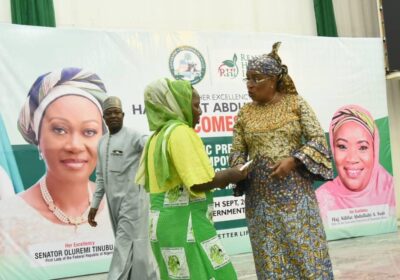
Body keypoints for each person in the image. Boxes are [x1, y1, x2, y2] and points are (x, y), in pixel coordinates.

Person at [229, 42, 334, 279]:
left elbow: (318, 139)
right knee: (269, 259)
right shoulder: (245, 113)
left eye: (256, 79)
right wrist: (238, 168)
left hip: (295, 199)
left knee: (305, 255)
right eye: (247, 79)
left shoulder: (296, 104)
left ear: (273, 80)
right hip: (260, 203)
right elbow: (237, 150)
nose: (250, 85)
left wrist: (293, 160)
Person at [0, 68, 114, 280]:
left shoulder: (123, 212)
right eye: (59, 130)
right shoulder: (6, 222)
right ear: (37, 137)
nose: (75, 145)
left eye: (89, 132)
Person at [136, 78, 247, 280]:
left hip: (161, 226)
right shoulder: (180, 132)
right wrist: (231, 174)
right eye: (195, 106)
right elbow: (199, 182)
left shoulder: (155, 137)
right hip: (187, 224)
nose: (200, 112)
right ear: (177, 104)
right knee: (216, 274)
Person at [88, 96, 158, 280]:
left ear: (123, 115)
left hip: (133, 201)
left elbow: (150, 145)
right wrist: (94, 206)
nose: (113, 116)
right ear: (103, 117)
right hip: (115, 206)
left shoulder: (134, 136)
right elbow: (101, 178)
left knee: (123, 244)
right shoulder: (102, 143)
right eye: (109, 113)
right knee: (136, 247)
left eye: (116, 113)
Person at [316, 105, 396, 230]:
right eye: (342, 146)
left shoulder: (393, 190)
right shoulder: (320, 200)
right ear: (332, 148)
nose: (352, 159)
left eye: (363, 147)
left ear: (374, 150)